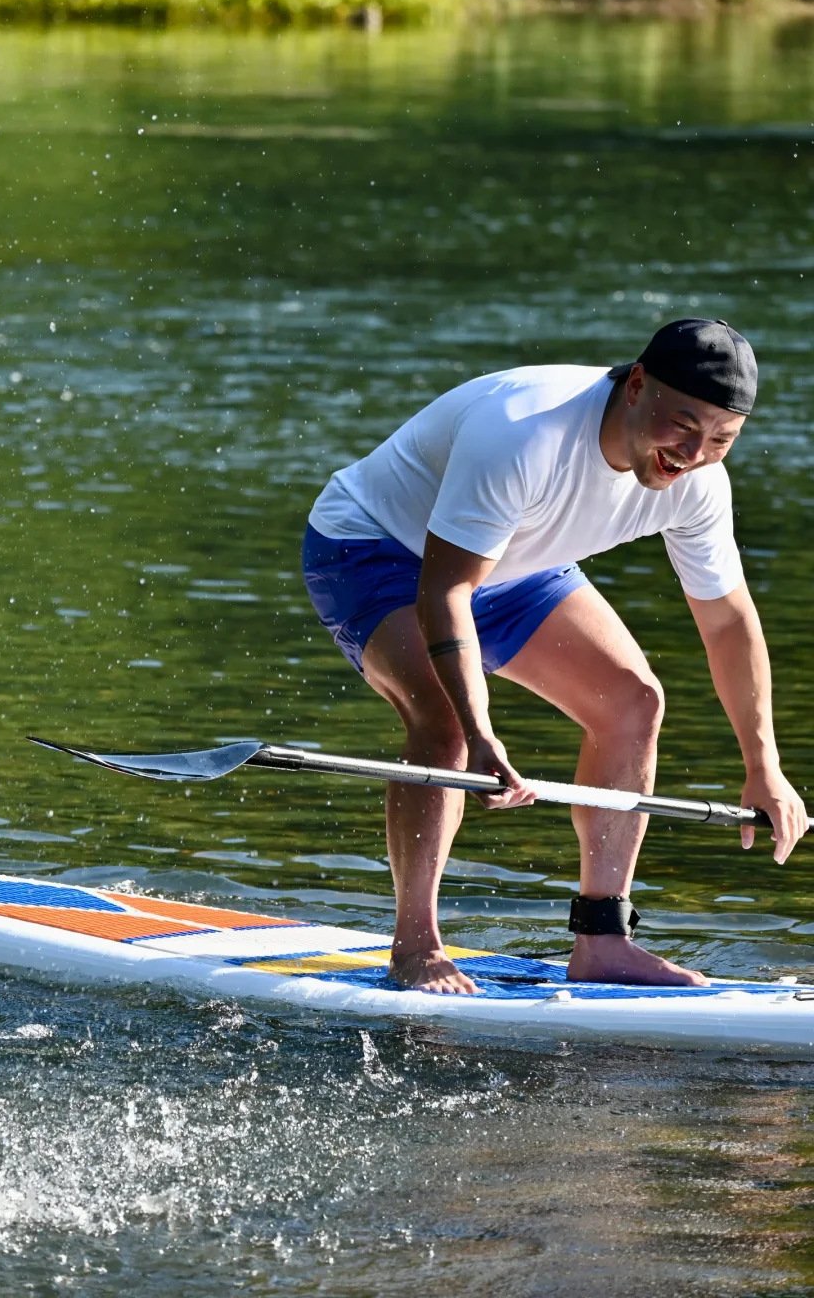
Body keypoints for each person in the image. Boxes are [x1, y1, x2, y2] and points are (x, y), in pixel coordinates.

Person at [302, 318, 807, 994]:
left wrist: (763, 765)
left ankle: (602, 940)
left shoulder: (700, 486)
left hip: (514, 563)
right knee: (446, 724)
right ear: (636, 386)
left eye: (721, 438)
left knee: (633, 702)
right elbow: (447, 589)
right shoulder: (525, 432)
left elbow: (728, 625)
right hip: (376, 550)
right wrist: (481, 731)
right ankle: (416, 945)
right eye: (683, 426)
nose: (692, 453)